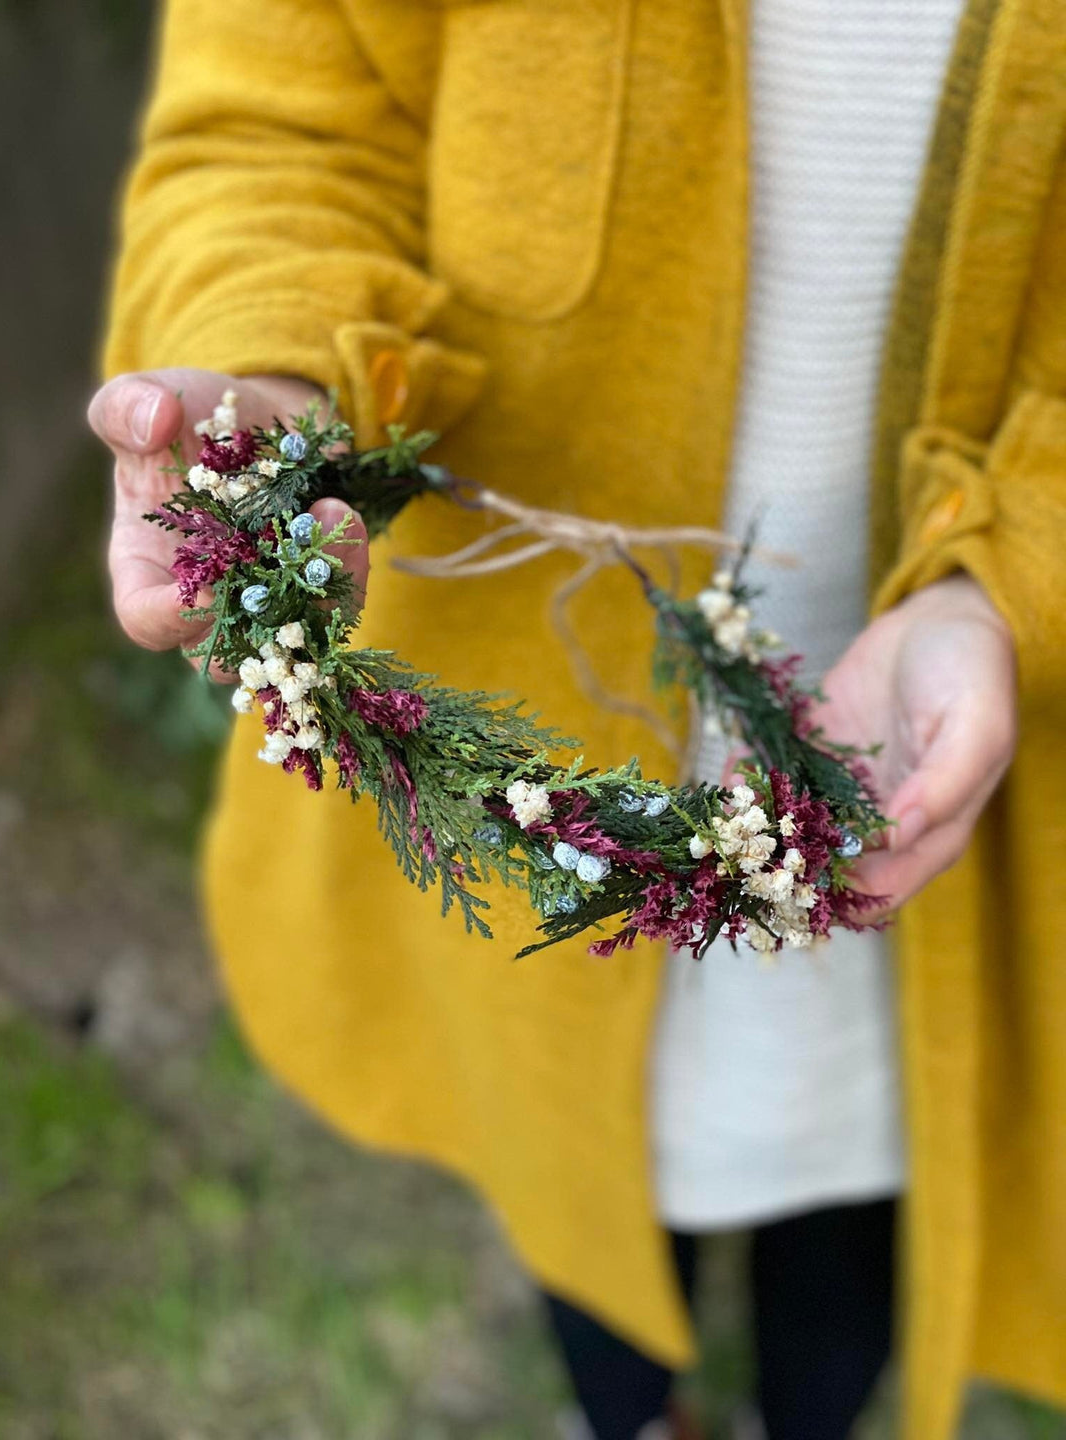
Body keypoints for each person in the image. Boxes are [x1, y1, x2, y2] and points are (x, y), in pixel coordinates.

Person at [88, 2, 1066, 1437]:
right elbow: (279, 120)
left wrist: (1012, 578)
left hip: (939, 776)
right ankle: (631, 1416)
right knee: (577, 1189)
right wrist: (268, 373)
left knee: (860, 1206)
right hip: (528, 760)